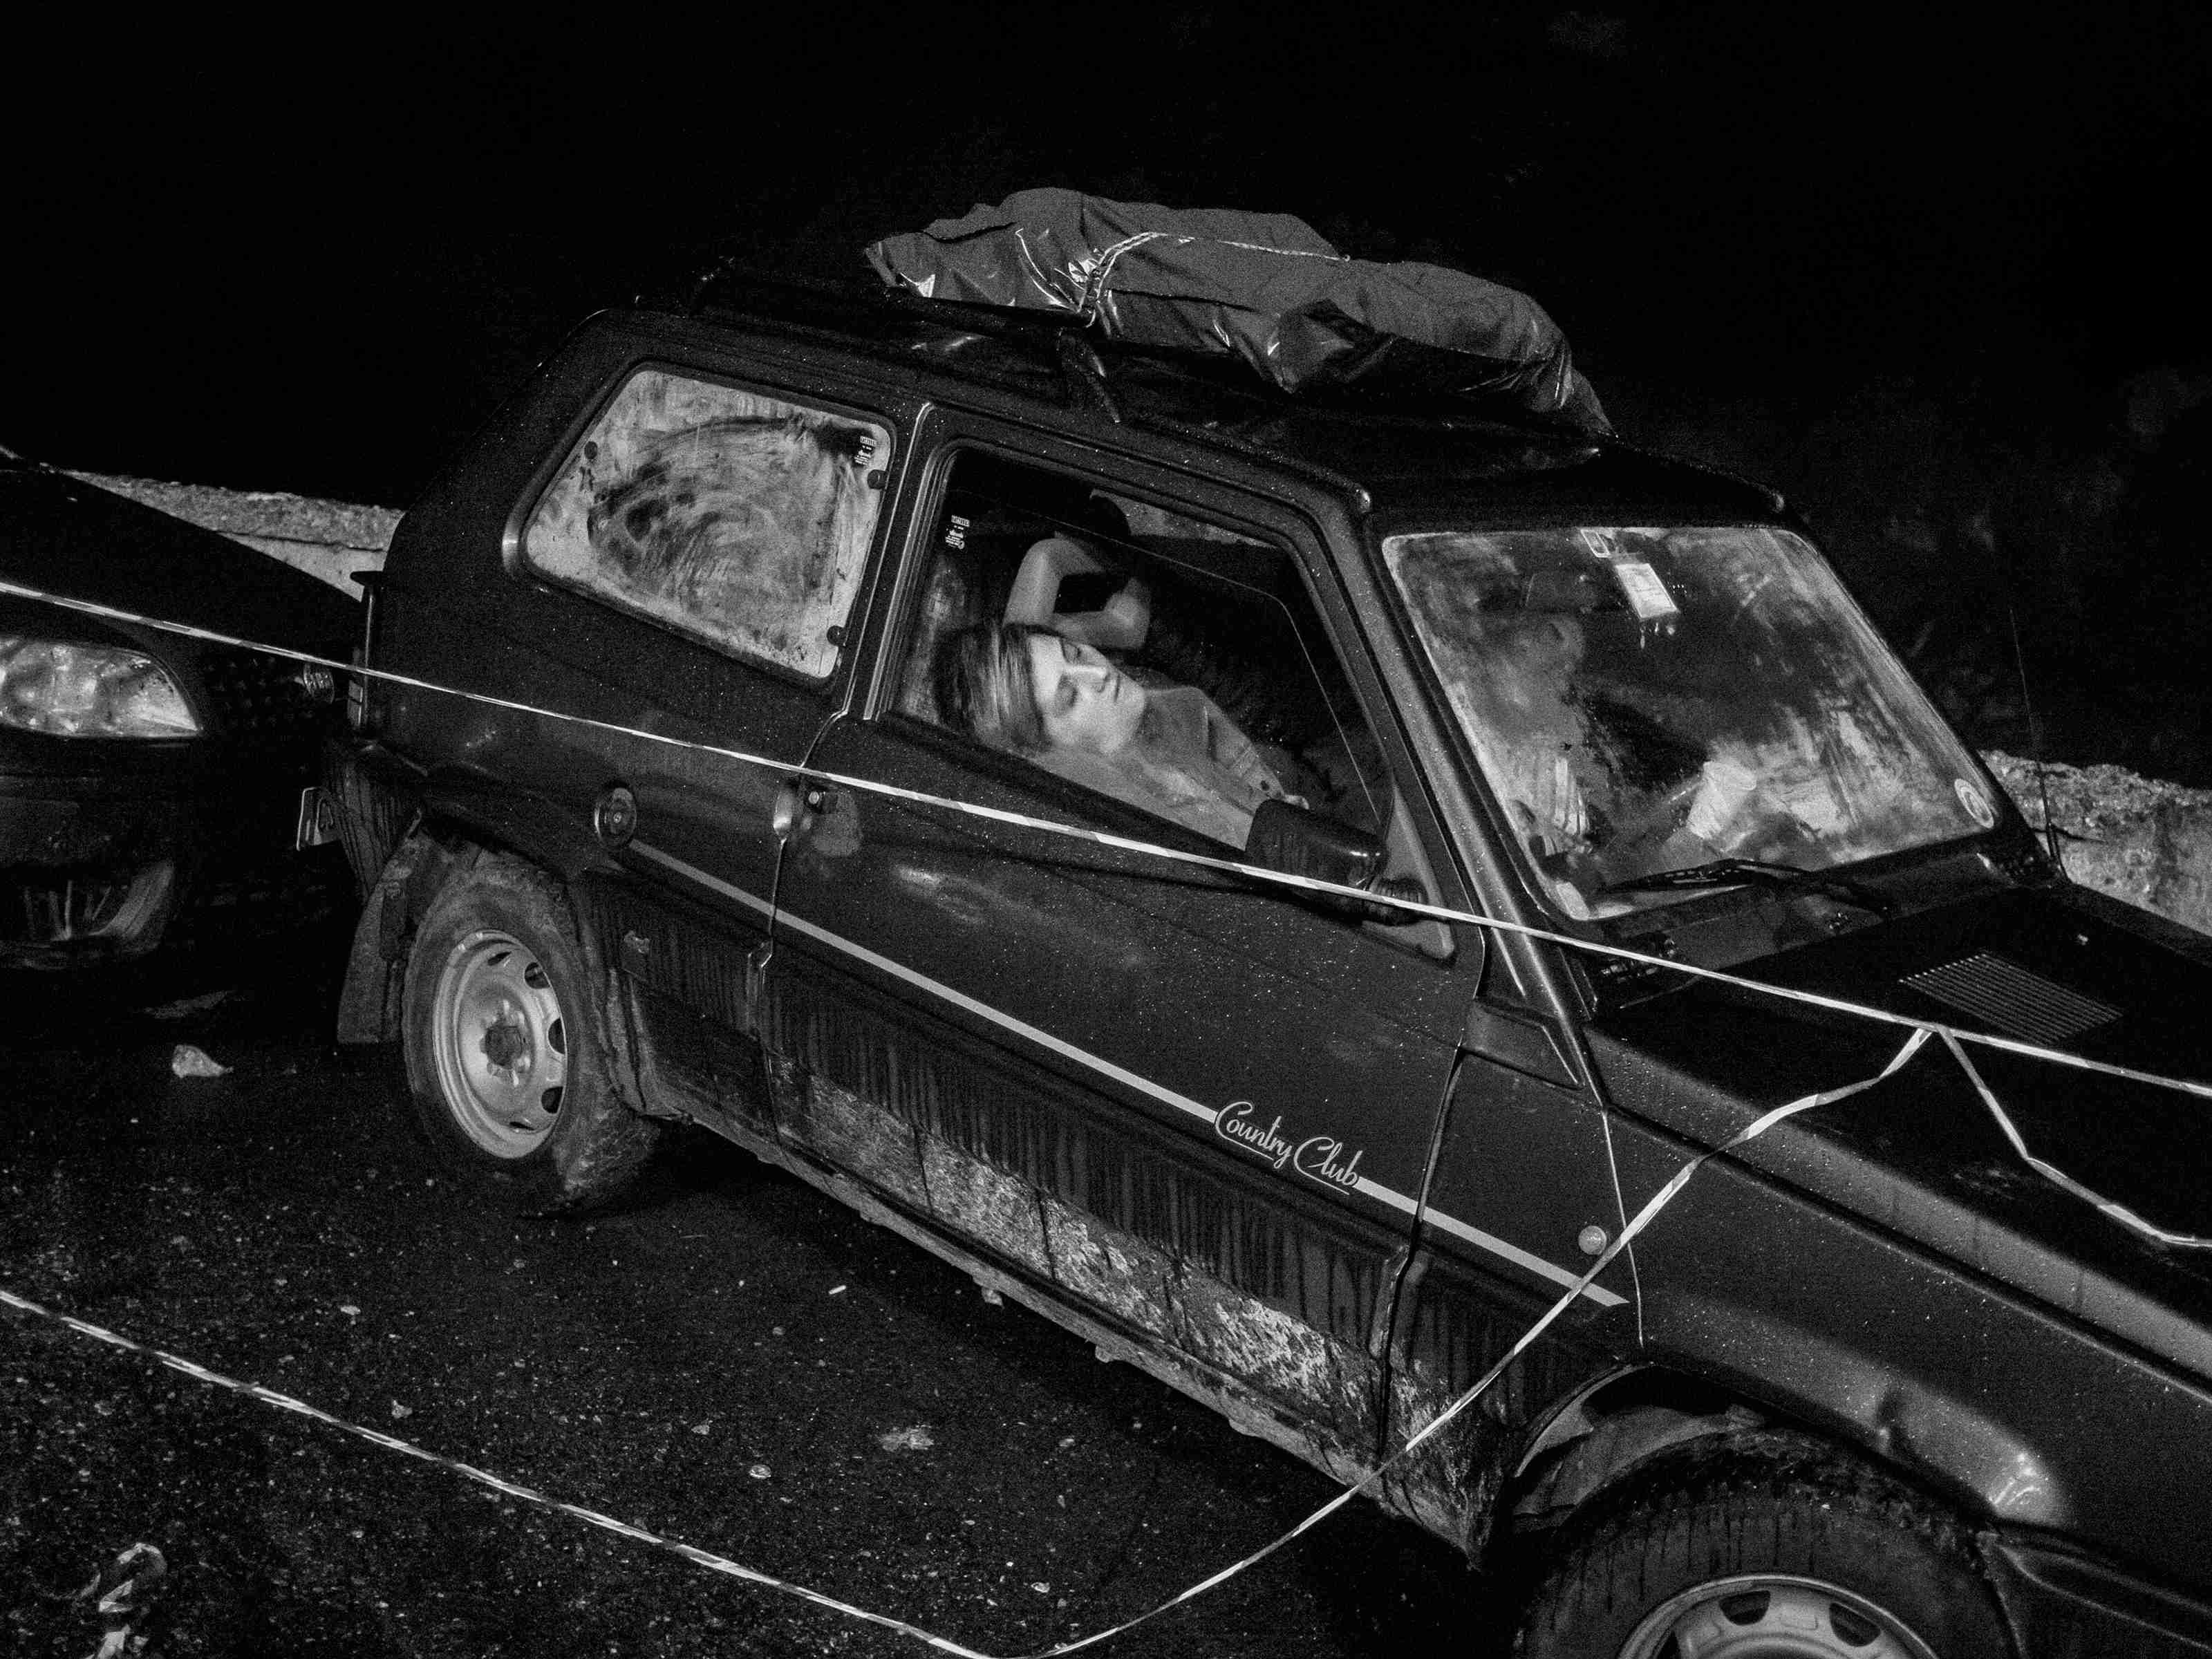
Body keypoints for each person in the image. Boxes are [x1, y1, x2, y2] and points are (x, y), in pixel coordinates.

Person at [932, 619, 1303, 847]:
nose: (1100, 674)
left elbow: (1263, 795)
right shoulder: (1131, 839)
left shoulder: (1175, 705)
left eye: (1074, 654)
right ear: (1044, 754)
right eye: (1069, 697)